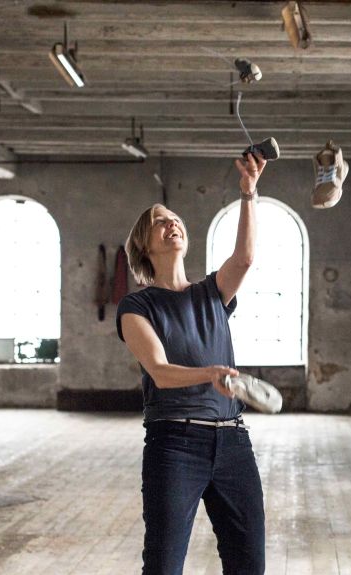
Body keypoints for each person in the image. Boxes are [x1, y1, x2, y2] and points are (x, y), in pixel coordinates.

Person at [116, 152, 267, 574]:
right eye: (160, 222)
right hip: (175, 445)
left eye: (175, 218)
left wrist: (249, 194)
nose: (172, 223)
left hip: (234, 442)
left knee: (249, 564)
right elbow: (160, 373)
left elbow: (245, 258)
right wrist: (210, 374)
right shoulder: (137, 306)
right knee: (164, 565)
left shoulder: (210, 292)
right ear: (144, 245)